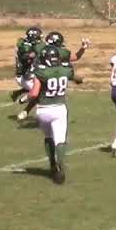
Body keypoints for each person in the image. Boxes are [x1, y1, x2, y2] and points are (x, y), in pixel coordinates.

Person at [27, 48, 75, 184]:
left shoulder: (40, 72)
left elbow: (34, 93)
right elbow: (72, 76)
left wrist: (25, 98)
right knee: (60, 140)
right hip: (59, 108)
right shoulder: (65, 70)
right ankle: (60, 166)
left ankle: (52, 163)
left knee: (48, 137)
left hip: (42, 110)